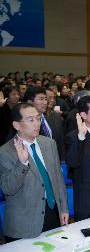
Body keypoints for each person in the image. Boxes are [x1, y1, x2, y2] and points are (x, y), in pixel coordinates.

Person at [0, 103, 68, 241]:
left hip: (52, 214)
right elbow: (8, 189)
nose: (37, 123)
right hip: (23, 225)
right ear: (17, 125)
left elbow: (58, 180)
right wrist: (23, 163)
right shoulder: (5, 152)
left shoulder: (49, 144)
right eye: (31, 120)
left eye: (38, 118)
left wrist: (63, 208)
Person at [25, 86, 65, 161]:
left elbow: (60, 140)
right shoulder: (24, 123)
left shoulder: (49, 118)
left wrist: (62, 160)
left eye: (45, 99)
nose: (45, 102)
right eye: (41, 99)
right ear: (30, 102)